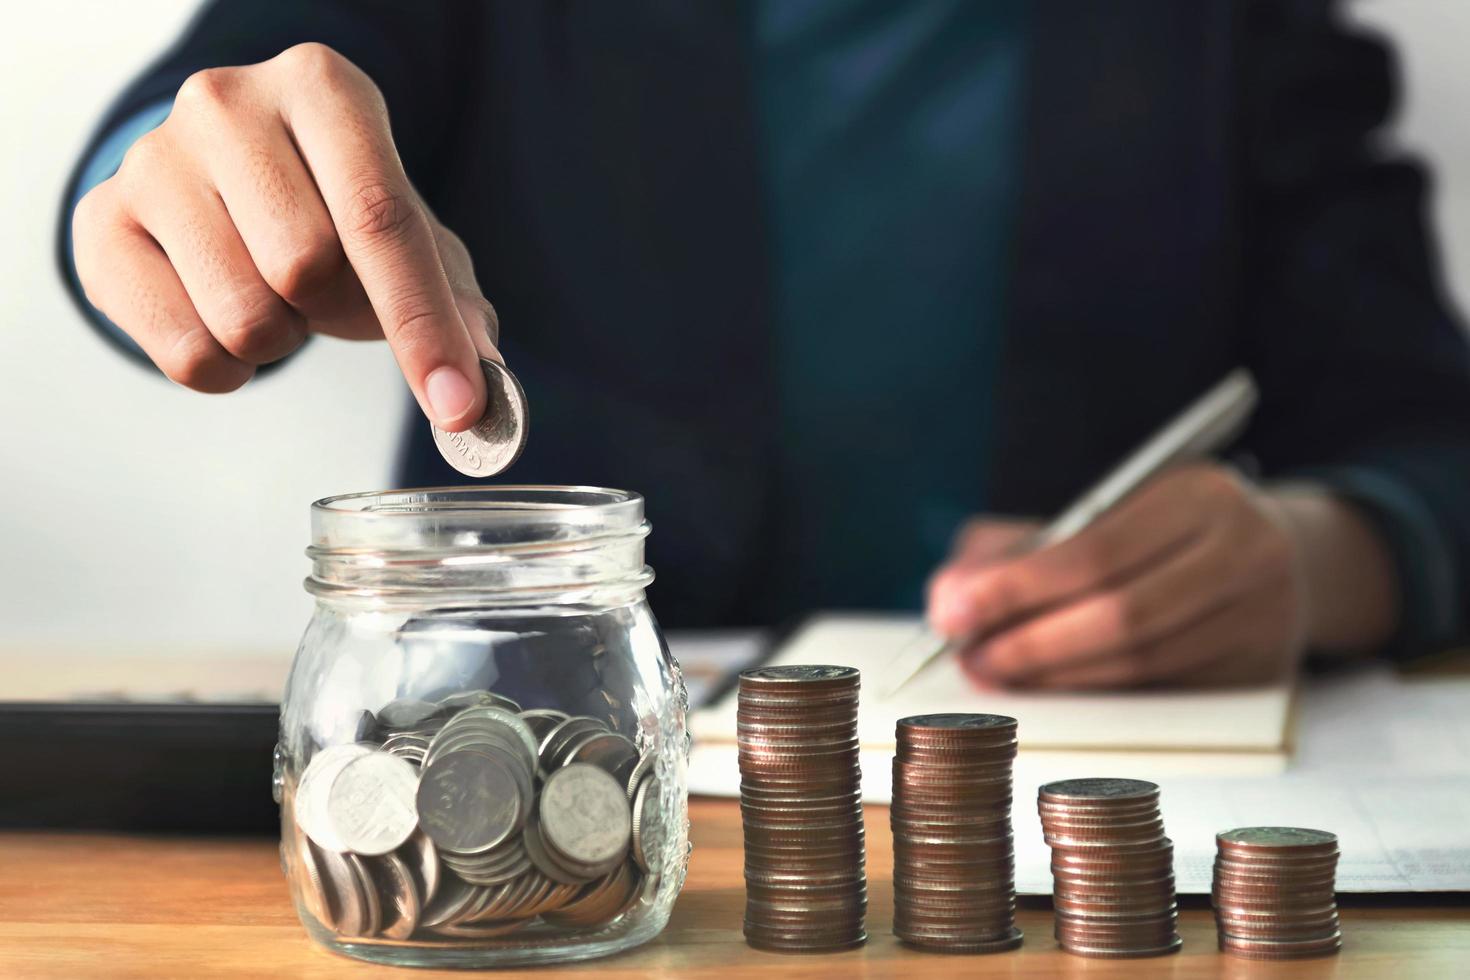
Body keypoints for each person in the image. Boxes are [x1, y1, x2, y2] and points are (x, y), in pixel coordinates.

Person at [60, 1, 1470, 689]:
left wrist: (1313, 559)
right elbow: (191, 132)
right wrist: (157, 189)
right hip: (558, 774)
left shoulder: (1235, 28)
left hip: (1080, 823)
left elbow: (1433, 444)